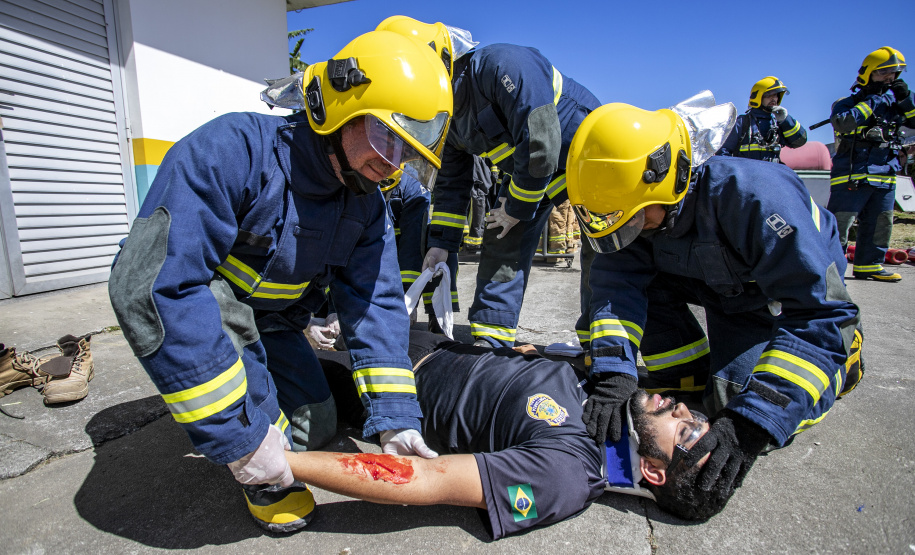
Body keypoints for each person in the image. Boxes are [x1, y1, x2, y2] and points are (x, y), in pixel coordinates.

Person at [107, 30, 453, 533]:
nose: (394, 163)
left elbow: (375, 305)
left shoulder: (367, 205)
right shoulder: (232, 151)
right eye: (385, 136)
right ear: (335, 109)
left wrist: (396, 416)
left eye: (409, 149)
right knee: (260, 437)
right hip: (215, 312)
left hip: (278, 326)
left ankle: (260, 411)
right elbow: (152, 288)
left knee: (317, 429)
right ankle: (250, 456)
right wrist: (239, 438)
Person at [565, 96, 864, 515]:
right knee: (615, 323)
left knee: (741, 405)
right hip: (717, 288)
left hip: (781, 306)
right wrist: (615, 376)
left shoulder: (757, 198)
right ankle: (685, 376)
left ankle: (842, 367)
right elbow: (616, 290)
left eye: (631, 216)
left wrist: (750, 425)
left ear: (668, 180)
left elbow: (821, 313)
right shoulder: (636, 207)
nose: (624, 227)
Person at [288, 330, 714, 538]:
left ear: (653, 471)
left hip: (390, 386)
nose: (682, 408)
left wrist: (280, 463)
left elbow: (421, 481)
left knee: (273, 345)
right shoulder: (619, 399)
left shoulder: (566, 474)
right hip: (441, 343)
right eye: (696, 414)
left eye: (687, 429)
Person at [376, 16, 602, 348]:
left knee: (603, 249)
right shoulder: (445, 112)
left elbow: (541, 140)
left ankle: (604, 348)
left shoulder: (501, 64)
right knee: (502, 235)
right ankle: (492, 343)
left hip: (585, 153)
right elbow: (452, 184)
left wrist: (517, 206)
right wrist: (442, 245)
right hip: (531, 172)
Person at [827, 46, 915, 282]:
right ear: (868, 74)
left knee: (881, 221)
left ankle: (870, 265)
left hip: (886, 172)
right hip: (851, 172)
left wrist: (906, 100)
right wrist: (873, 101)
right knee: (840, 223)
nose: (889, 78)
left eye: (894, 73)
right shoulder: (846, 103)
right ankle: (830, 270)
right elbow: (844, 124)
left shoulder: (900, 104)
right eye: (883, 72)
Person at [717, 76, 807, 163]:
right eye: (769, 95)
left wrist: (786, 120)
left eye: (775, 95)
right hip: (747, 177)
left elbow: (799, 142)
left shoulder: (778, 123)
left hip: (771, 176)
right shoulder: (741, 123)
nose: (773, 98)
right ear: (758, 97)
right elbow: (723, 154)